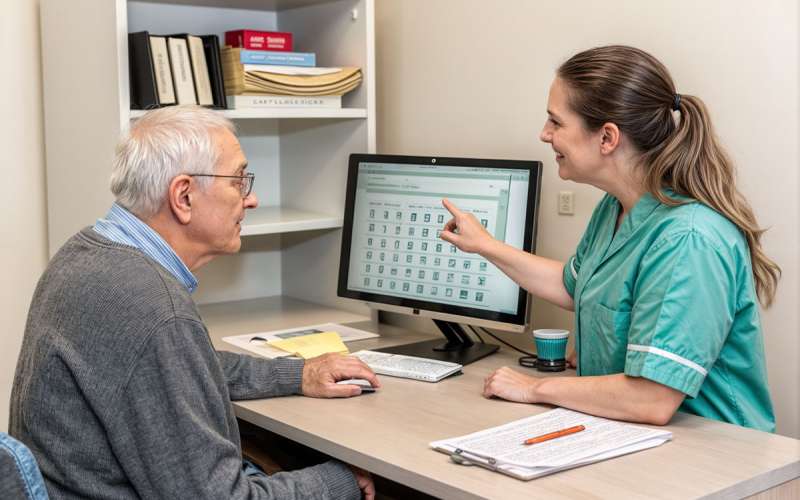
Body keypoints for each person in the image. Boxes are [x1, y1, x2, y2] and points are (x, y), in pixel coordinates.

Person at [10, 106, 380, 499]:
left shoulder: (87, 254)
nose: (251, 199)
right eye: (239, 181)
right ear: (183, 195)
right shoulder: (154, 308)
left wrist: (296, 376)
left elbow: (179, 368)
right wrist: (340, 481)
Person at [440, 45, 780, 431]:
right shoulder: (616, 208)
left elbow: (651, 398)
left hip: (715, 458)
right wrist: (485, 245)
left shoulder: (689, 239)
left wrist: (536, 388)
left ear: (607, 138)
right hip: (627, 433)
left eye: (556, 122)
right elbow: (574, 287)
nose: (544, 134)